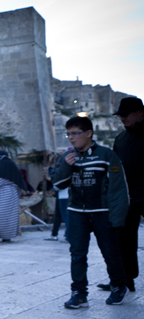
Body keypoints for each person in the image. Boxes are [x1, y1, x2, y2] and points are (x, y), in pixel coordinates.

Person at [52, 115, 129, 309]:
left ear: (88, 133)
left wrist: (117, 217)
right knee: (77, 254)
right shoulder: (68, 157)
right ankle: (79, 293)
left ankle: (118, 286)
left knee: (110, 252)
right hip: (76, 212)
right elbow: (58, 184)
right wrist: (66, 166)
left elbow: (118, 188)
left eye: (75, 133)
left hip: (103, 212)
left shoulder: (106, 155)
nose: (71, 138)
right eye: (68, 134)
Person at [98, 96, 144, 293]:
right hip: (129, 196)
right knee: (123, 239)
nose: (123, 118)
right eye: (120, 115)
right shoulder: (121, 139)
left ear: (140, 113)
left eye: (126, 114)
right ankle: (125, 280)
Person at [0, 150, 27, 242]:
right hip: (12, 194)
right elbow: (19, 183)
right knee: (10, 216)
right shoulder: (13, 165)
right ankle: (7, 236)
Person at [46, 155, 70, 242]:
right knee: (59, 215)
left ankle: (69, 235)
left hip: (64, 195)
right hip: (63, 195)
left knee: (66, 216)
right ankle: (55, 234)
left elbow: (58, 183)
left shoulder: (62, 170)